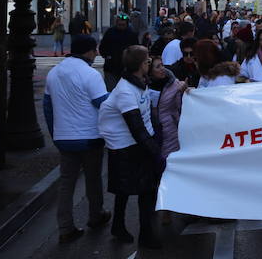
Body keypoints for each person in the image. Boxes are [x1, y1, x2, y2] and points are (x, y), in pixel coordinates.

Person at [43, 35, 111, 243]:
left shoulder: (54, 73)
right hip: (89, 136)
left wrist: (55, 133)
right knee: (93, 179)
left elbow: (47, 107)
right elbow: (103, 104)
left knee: (66, 183)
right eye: (95, 50)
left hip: (64, 137)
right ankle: (95, 214)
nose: (97, 53)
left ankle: (65, 227)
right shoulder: (90, 74)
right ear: (89, 52)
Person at [98, 45, 161, 249]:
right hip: (125, 146)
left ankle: (128, 228)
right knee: (138, 190)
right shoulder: (125, 91)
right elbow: (136, 127)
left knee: (134, 190)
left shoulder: (139, 84)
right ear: (140, 65)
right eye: (147, 62)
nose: (149, 65)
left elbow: (145, 119)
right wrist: (156, 153)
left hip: (134, 144)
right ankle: (141, 233)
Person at [147, 55, 187, 168]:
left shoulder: (174, 84)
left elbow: (180, 107)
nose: (162, 69)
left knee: (169, 161)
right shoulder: (144, 86)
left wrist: (182, 93)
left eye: (162, 65)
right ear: (150, 72)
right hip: (151, 130)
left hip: (169, 129)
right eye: (158, 67)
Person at [99, 15, 139, 91]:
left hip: (126, 68)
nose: (121, 26)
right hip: (111, 67)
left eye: (123, 25)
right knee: (111, 90)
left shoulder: (132, 34)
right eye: (119, 25)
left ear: (127, 24)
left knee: (125, 90)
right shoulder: (110, 32)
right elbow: (102, 47)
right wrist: (107, 56)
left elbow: (135, 49)